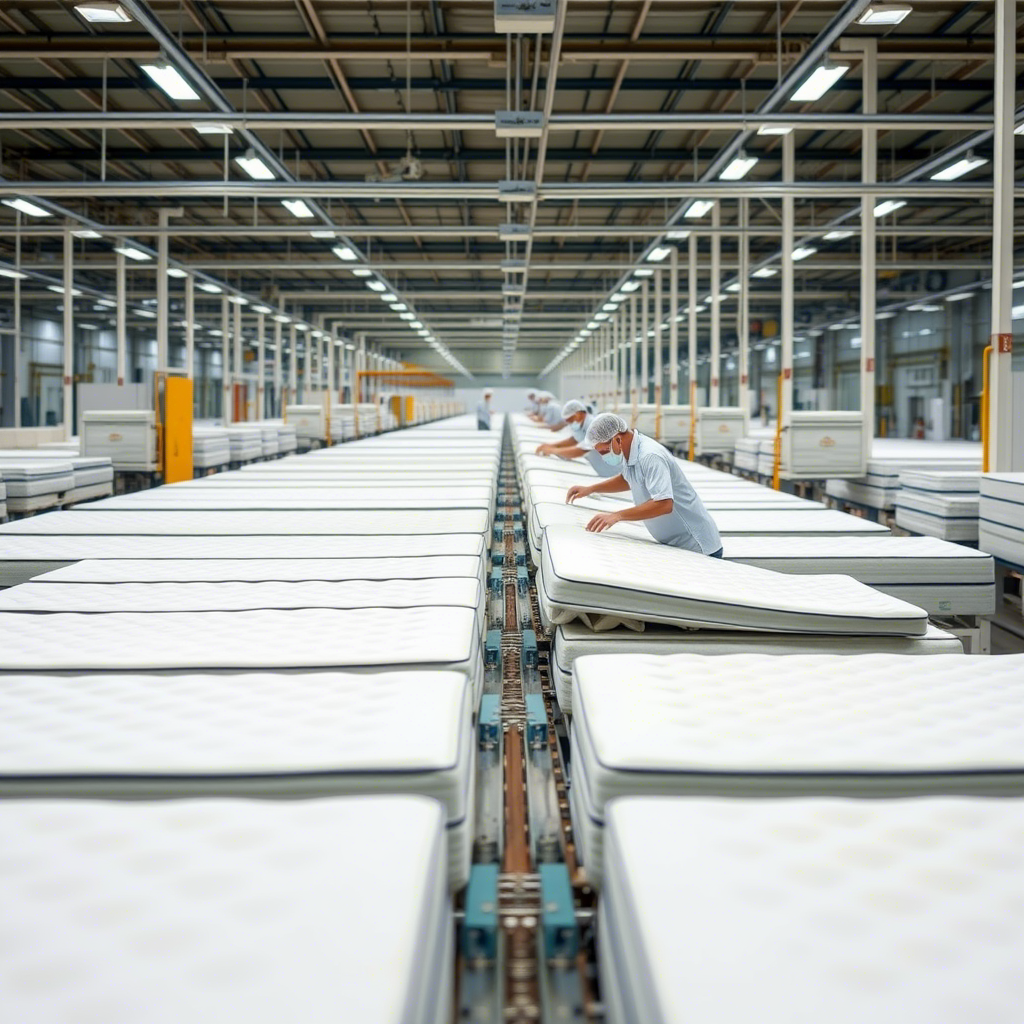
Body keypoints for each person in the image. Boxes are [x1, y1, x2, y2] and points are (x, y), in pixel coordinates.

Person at [566, 412, 723, 557]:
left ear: (617, 439)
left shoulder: (650, 456)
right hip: (676, 545)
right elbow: (627, 479)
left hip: (697, 546)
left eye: (604, 451)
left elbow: (664, 504)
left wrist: (617, 516)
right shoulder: (629, 453)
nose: (603, 457)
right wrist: (591, 489)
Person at [536, 400, 619, 478]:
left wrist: (552, 450)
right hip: (606, 472)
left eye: (571, 420)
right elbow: (574, 440)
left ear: (579, 414)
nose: (570, 423)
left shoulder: (594, 427)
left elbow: (579, 451)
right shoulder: (584, 426)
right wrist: (551, 446)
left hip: (614, 473)